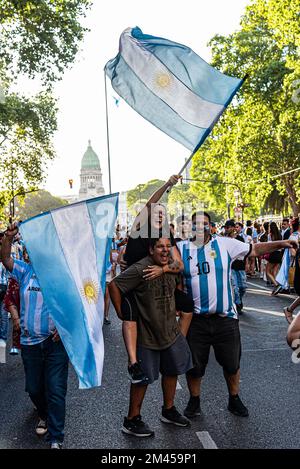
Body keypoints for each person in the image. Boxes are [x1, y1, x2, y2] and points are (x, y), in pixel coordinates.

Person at [177, 211, 298, 419]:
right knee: (195, 367)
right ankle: (194, 400)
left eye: (205, 224)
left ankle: (234, 399)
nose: (201, 227)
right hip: (196, 321)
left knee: (232, 364)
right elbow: (159, 257)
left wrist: (282, 243)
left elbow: (255, 249)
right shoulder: (180, 249)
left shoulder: (225, 244)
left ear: (211, 226)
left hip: (226, 319)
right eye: (196, 224)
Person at [109, 237, 193, 437]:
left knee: (172, 371)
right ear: (150, 249)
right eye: (159, 247)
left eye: (167, 247)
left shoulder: (172, 266)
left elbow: (178, 277)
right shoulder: (141, 268)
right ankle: (132, 420)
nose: (165, 251)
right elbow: (114, 286)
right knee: (142, 379)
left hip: (170, 332)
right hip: (147, 336)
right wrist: (122, 313)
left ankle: (169, 410)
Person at [1, 223, 69, 449]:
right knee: (34, 388)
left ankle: (56, 437)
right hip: (30, 343)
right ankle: (44, 413)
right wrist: (8, 239)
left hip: (54, 343)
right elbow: (5, 259)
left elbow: (73, 303)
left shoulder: (61, 274)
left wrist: (64, 325)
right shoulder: (24, 270)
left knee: (56, 389)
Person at [119, 175, 189, 384]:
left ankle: (179, 342)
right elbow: (151, 204)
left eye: (163, 214)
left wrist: (164, 269)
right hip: (135, 283)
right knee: (129, 315)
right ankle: (133, 362)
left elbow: (180, 265)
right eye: (156, 213)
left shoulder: (166, 235)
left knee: (187, 305)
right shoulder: (139, 228)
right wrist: (168, 185)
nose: (160, 215)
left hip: (160, 285)